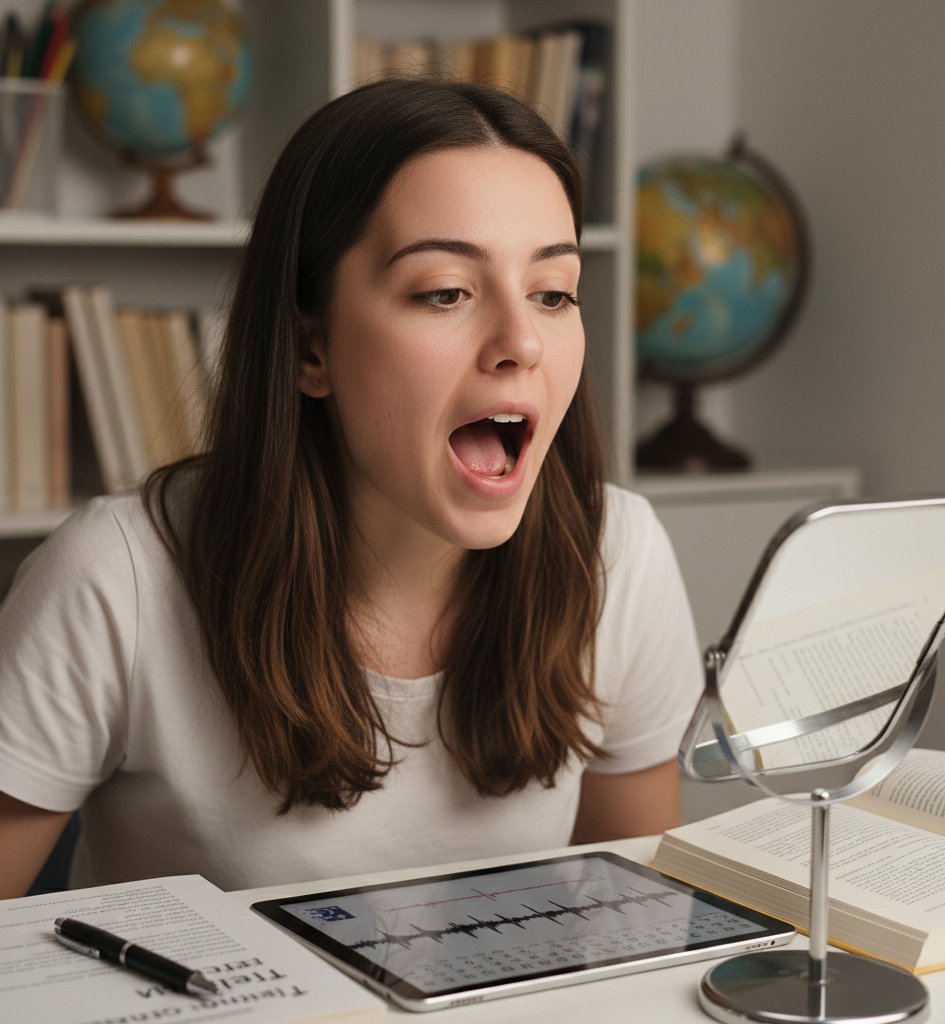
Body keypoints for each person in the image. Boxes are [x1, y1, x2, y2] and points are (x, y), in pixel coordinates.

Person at [0, 77, 701, 897]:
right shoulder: (112, 575)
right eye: (445, 292)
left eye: (552, 294)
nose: (522, 342)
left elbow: (637, 922)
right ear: (310, 350)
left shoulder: (619, 552)